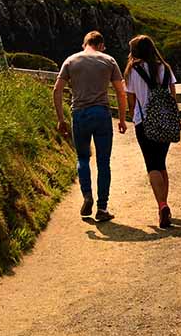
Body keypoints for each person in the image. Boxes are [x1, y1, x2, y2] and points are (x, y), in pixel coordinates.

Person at [54, 31, 128, 222]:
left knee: (83, 158)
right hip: (102, 114)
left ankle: (87, 195)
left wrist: (61, 119)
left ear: (84, 44)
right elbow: (121, 92)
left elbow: (57, 89)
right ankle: (102, 208)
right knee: (104, 162)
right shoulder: (109, 60)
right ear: (101, 45)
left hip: (79, 113)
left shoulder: (70, 61)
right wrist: (121, 119)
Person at [124, 35, 178, 228]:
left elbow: (130, 99)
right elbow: (173, 96)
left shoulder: (132, 71)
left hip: (144, 122)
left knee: (151, 165)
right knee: (161, 163)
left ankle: (162, 205)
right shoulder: (166, 68)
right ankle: (163, 205)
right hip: (165, 122)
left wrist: (134, 117)